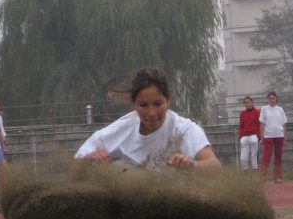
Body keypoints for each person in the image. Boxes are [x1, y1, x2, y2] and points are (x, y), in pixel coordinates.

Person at [75, 67, 221, 171]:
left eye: (158, 104)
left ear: (168, 100)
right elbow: (76, 171)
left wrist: (191, 165)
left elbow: (215, 167)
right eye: (143, 105)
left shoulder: (184, 129)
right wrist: (89, 159)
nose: (151, 113)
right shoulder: (120, 129)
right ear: (134, 104)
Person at [259, 91, 287, 183]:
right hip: (268, 136)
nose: (272, 100)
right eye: (270, 98)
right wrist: (262, 137)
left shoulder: (280, 109)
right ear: (268, 99)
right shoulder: (264, 109)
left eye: (273, 98)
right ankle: (262, 177)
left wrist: (285, 138)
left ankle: (278, 177)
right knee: (266, 157)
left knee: (278, 157)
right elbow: (261, 125)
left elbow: (283, 124)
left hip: (279, 135)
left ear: (276, 99)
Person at [238, 96, 261, 170]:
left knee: (254, 156)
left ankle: (255, 170)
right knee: (243, 158)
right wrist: (240, 137)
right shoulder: (242, 113)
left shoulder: (257, 112)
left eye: (248, 102)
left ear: (252, 103)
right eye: (245, 103)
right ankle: (245, 171)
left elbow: (260, 125)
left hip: (254, 135)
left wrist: (259, 136)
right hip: (244, 136)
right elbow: (241, 125)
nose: (247, 104)